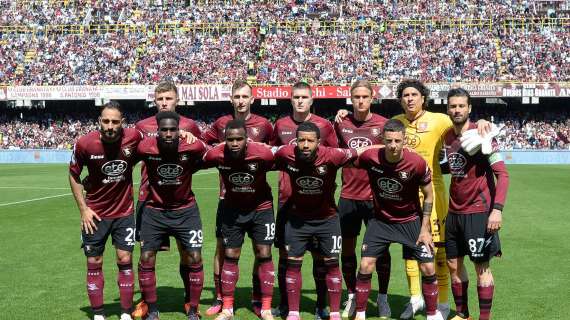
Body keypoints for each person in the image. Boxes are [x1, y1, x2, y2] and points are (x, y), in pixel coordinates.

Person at [274, 121, 373, 320]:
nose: (305, 144)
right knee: (293, 264)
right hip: (297, 221)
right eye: (301, 140)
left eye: (310, 141)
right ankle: (293, 312)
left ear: (318, 142)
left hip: (327, 221)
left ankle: (333, 312)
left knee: (330, 264)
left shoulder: (333, 155)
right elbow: (261, 150)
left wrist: (389, 147)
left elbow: (361, 150)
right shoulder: (286, 153)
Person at [352, 119, 443, 320]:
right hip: (380, 221)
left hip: (410, 221)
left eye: (398, 141)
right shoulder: (371, 157)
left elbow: (429, 194)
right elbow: (353, 155)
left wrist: (425, 228)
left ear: (404, 141)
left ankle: (432, 313)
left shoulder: (417, 162)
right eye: (389, 140)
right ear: (383, 139)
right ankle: (359, 313)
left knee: (428, 266)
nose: (393, 145)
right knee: (366, 265)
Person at [201, 79, 274, 316]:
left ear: (252, 99)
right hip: (228, 196)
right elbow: (204, 145)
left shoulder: (263, 124)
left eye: (245, 97)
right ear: (231, 99)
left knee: (259, 249)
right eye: (237, 97)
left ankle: (256, 296)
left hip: (257, 199)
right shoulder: (221, 123)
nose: (241, 101)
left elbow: (274, 151)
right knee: (222, 249)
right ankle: (220, 297)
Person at [133, 80, 203, 317]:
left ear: (177, 100)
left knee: (188, 253)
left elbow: (200, 155)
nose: (164, 103)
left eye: (168, 98)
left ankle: (189, 299)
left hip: (181, 199)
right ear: (155, 101)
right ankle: (145, 301)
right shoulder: (142, 126)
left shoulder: (190, 126)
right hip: (149, 199)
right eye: (160, 99)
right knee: (146, 253)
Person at [270, 81, 338, 319]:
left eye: (304, 97)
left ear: (311, 100)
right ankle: (286, 304)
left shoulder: (325, 126)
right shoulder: (280, 125)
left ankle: (322, 304)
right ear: (291, 100)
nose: (299, 101)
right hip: (287, 200)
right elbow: (272, 155)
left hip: (319, 204)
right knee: (285, 255)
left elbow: (334, 159)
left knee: (322, 257)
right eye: (295, 97)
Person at [69, 101, 142, 320]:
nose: (110, 126)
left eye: (115, 122)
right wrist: (84, 209)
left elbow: (155, 145)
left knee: (124, 258)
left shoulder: (133, 138)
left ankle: (126, 313)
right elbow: (73, 175)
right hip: (95, 214)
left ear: (122, 123)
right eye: (106, 121)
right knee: (94, 261)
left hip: (124, 212)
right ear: (99, 121)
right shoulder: (84, 144)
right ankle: (99, 314)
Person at [442, 88, 509, 320]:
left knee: (481, 267)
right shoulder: (447, 136)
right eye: (453, 106)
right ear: (447, 108)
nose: (457, 110)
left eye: (461, 106)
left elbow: (503, 175)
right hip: (454, 212)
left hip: (479, 212)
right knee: (453, 264)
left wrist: (497, 211)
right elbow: (453, 166)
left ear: (469, 108)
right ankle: (462, 315)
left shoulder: (483, 133)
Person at [333, 80, 390, 318]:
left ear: (372, 97)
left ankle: (382, 297)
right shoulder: (340, 123)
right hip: (348, 197)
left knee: (381, 251)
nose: (360, 101)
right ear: (351, 98)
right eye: (356, 97)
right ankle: (353, 295)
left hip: (376, 198)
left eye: (365, 97)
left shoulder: (383, 124)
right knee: (347, 250)